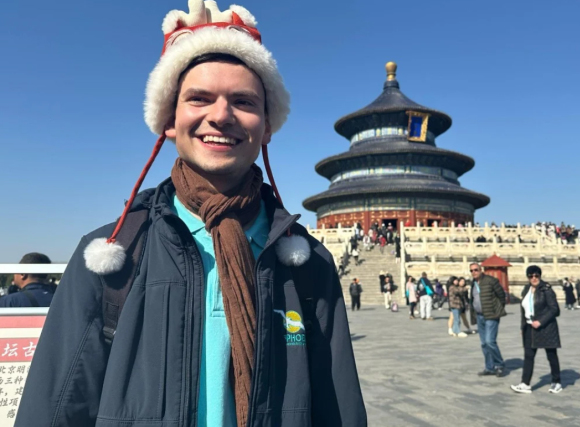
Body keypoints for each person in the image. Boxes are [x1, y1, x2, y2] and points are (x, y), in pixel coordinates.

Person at [16, 3, 366, 426]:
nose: (220, 116)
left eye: (244, 101)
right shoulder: (113, 257)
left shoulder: (306, 264)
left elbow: (339, 410)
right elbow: (55, 406)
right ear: (168, 119)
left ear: (268, 125)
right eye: (199, 98)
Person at [511, 266, 562, 394]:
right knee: (528, 356)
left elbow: (555, 309)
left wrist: (541, 321)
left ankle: (556, 381)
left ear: (540, 276)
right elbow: (524, 310)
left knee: (551, 355)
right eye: (530, 276)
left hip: (546, 327)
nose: (533, 278)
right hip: (529, 327)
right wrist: (523, 326)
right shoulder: (526, 289)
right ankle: (525, 383)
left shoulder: (547, 289)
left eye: (536, 276)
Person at [469, 263, 506, 377]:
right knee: (484, 343)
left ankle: (499, 364)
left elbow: (501, 295)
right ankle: (489, 367)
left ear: (481, 270)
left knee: (490, 341)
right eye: (471, 270)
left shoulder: (491, 281)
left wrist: (497, 309)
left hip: (491, 315)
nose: (474, 272)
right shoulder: (473, 283)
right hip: (479, 316)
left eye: (476, 270)